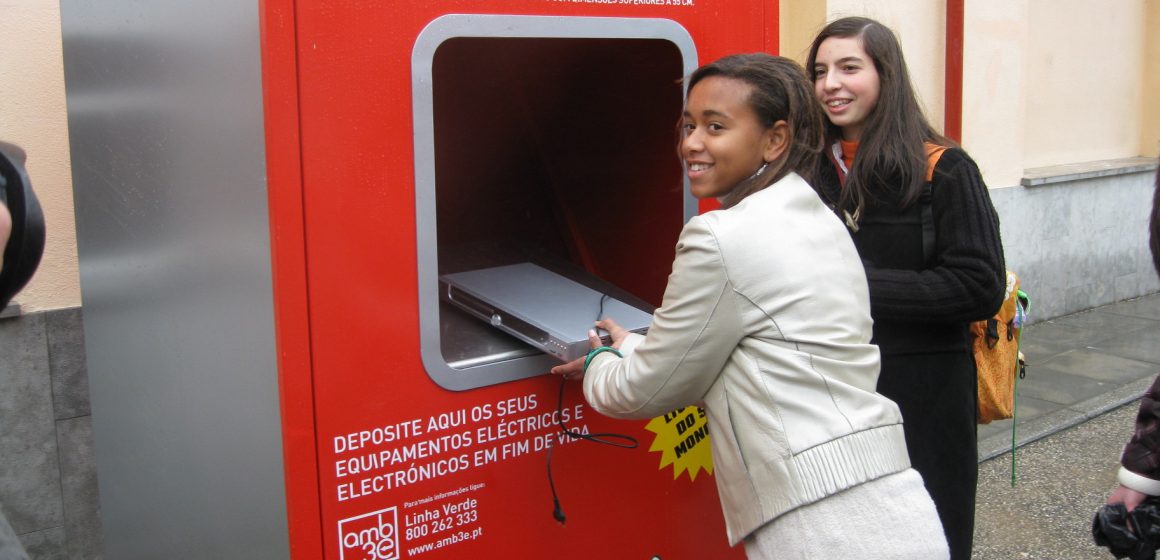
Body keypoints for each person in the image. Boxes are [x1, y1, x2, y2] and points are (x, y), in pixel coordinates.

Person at [551, 53, 948, 558]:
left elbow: (644, 391)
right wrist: (635, 344)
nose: (692, 143)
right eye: (688, 125)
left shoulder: (718, 236)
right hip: (893, 501)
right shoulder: (818, 216)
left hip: (822, 525)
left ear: (775, 139)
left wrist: (598, 362)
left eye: (716, 127)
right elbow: (759, 342)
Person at [806, 16, 1006, 560]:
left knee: (927, 539)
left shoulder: (944, 169)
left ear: (885, 74)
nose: (831, 84)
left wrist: (851, 286)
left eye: (850, 68)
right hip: (834, 395)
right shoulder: (807, 171)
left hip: (925, 399)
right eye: (820, 71)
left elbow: (978, 284)